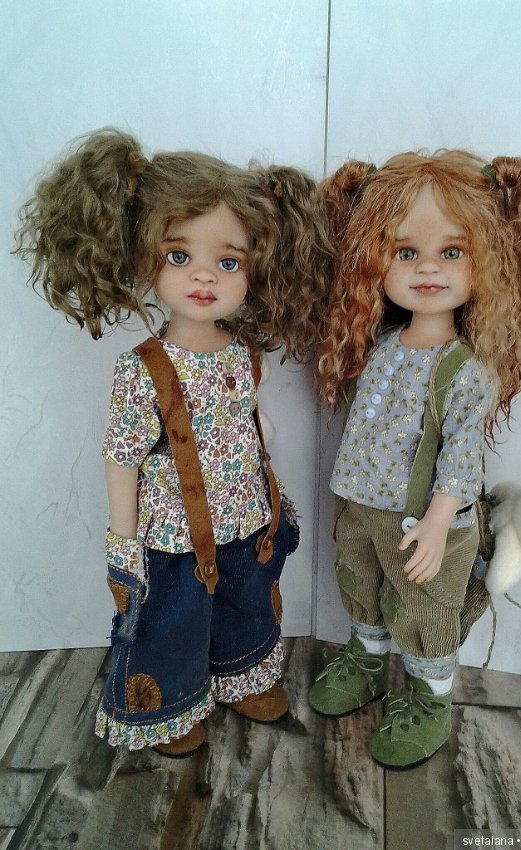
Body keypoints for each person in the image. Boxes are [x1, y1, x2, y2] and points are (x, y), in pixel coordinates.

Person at [15, 128, 334, 756]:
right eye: (179, 256)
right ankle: (173, 701)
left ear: (255, 267)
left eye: (229, 262)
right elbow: (122, 455)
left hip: (246, 515)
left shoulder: (243, 351)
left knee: (247, 603)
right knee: (173, 622)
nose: (205, 277)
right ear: (143, 257)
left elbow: (248, 422)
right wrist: (123, 541)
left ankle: (241, 674)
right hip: (173, 534)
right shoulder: (144, 369)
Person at [309, 149, 521, 769]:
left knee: (424, 608)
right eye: (405, 252)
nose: (428, 268)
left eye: (452, 251)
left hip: (425, 520)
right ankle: (367, 661)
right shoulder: (380, 345)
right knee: (362, 585)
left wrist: (436, 522)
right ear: (375, 260)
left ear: (488, 260)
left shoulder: (464, 370)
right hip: (361, 507)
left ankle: (429, 698)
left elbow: (460, 454)